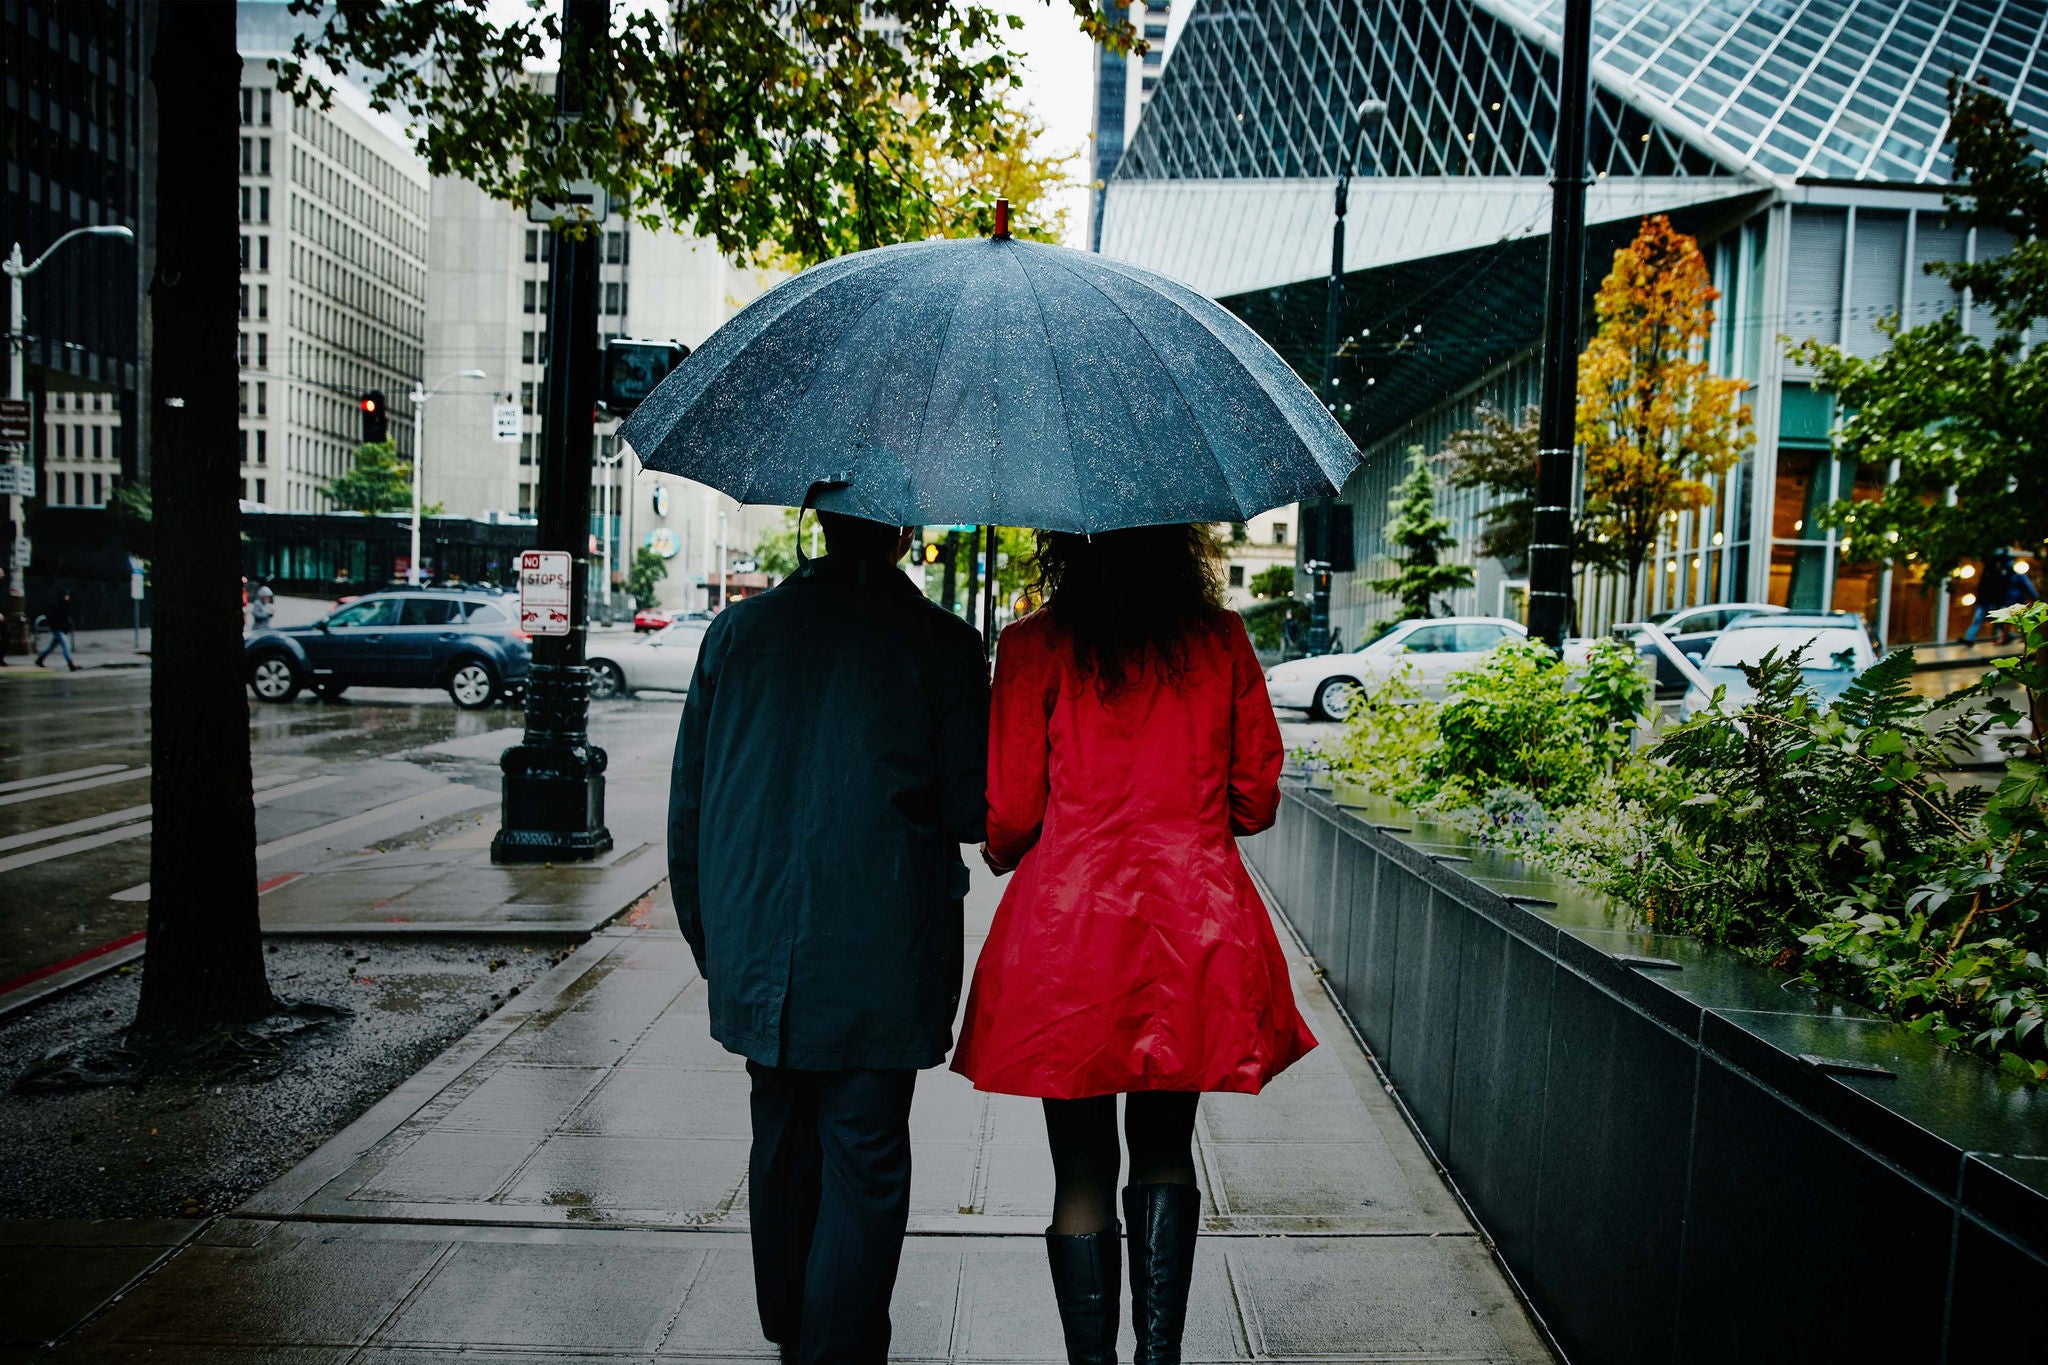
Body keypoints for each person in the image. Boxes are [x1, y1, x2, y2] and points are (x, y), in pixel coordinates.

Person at [952, 524, 1317, 1365]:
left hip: (1068, 928)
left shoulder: (1035, 645)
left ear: (1067, 543)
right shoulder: (1219, 639)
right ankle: (1160, 1358)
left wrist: (1013, 851)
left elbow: (1008, 810)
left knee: (1078, 1172)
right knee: (1164, 1146)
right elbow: (1256, 798)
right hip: (1190, 921)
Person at [669, 509, 989, 1364]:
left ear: (817, 522)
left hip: (757, 934)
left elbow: (691, 802)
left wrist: (714, 938)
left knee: (780, 1132)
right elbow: (967, 808)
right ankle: (837, 1344)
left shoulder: (737, 633)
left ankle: (788, 1320)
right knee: (867, 1150)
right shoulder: (944, 644)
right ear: (902, 534)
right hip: (883, 939)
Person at [37, 589, 79, 671]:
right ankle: (70, 664)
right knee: (66, 646)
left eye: (68, 595)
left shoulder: (66, 605)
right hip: (58, 629)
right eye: (66, 596)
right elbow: (52, 617)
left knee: (51, 647)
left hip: (62, 629)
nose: (67, 597)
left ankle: (40, 659)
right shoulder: (56, 605)